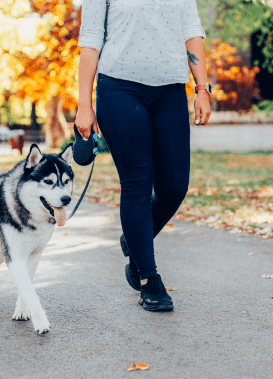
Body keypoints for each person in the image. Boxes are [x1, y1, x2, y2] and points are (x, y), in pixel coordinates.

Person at [75, 0, 211, 311]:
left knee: (174, 186)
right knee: (137, 183)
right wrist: (84, 104)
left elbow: (191, 30)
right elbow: (91, 38)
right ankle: (149, 279)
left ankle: (135, 240)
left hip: (171, 90)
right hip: (119, 90)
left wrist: (202, 88)